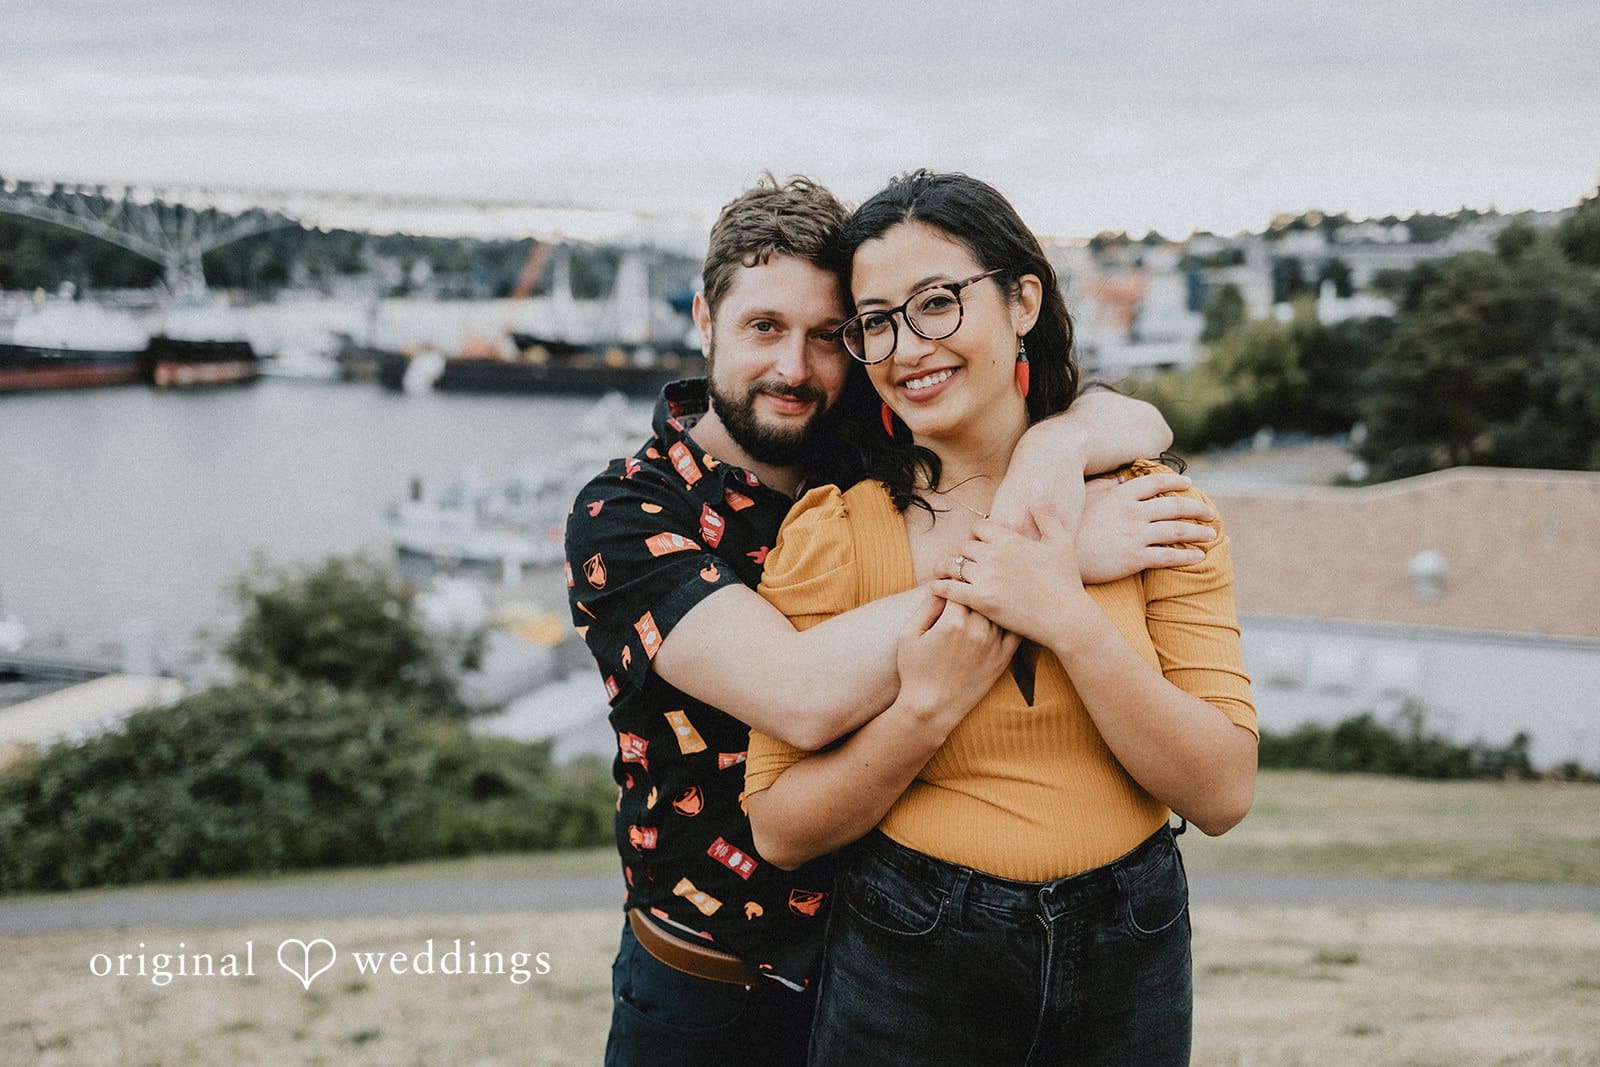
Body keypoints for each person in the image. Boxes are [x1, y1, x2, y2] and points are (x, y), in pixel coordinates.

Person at [564, 175, 1219, 1067]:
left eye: (831, 336)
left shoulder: (863, 451)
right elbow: (796, 694)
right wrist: (1043, 559)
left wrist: (1057, 449)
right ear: (704, 317)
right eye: (764, 327)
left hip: (894, 954)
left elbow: (1120, 411)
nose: (795, 367)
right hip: (714, 988)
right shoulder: (630, 514)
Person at [743, 171, 1258, 1066]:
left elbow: (1221, 791)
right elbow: (782, 826)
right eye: (876, 321)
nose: (907, 347)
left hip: (1127, 948)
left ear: (1023, 299)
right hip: (907, 950)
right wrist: (923, 711)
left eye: (936, 303)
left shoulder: (1150, 507)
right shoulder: (835, 532)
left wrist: (1066, 615)